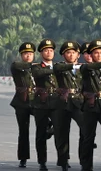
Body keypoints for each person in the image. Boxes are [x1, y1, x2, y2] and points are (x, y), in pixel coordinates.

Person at [77, 39, 101, 171]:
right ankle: (86, 166)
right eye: (96, 53)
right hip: (90, 106)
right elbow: (89, 67)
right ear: (90, 55)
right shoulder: (85, 68)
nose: (98, 55)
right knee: (88, 137)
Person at [51, 41, 83, 171]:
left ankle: (85, 158)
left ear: (78, 55)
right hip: (62, 103)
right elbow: (57, 69)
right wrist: (72, 66)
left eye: (73, 52)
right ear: (64, 55)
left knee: (86, 128)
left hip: (78, 102)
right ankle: (63, 160)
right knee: (61, 132)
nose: (70, 55)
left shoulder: (81, 68)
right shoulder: (59, 66)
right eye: (68, 53)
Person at [31, 39, 61, 171]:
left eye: (51, 50)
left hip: (56, 103)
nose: (49, 52)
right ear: (41, 53)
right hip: (41, 103)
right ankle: (42, 161)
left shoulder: (59, 66)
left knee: (60, 132)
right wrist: (54, 69)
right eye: (46, 50)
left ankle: (63, 160)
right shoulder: (36, 66)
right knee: (41, 134)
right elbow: (38, 74)